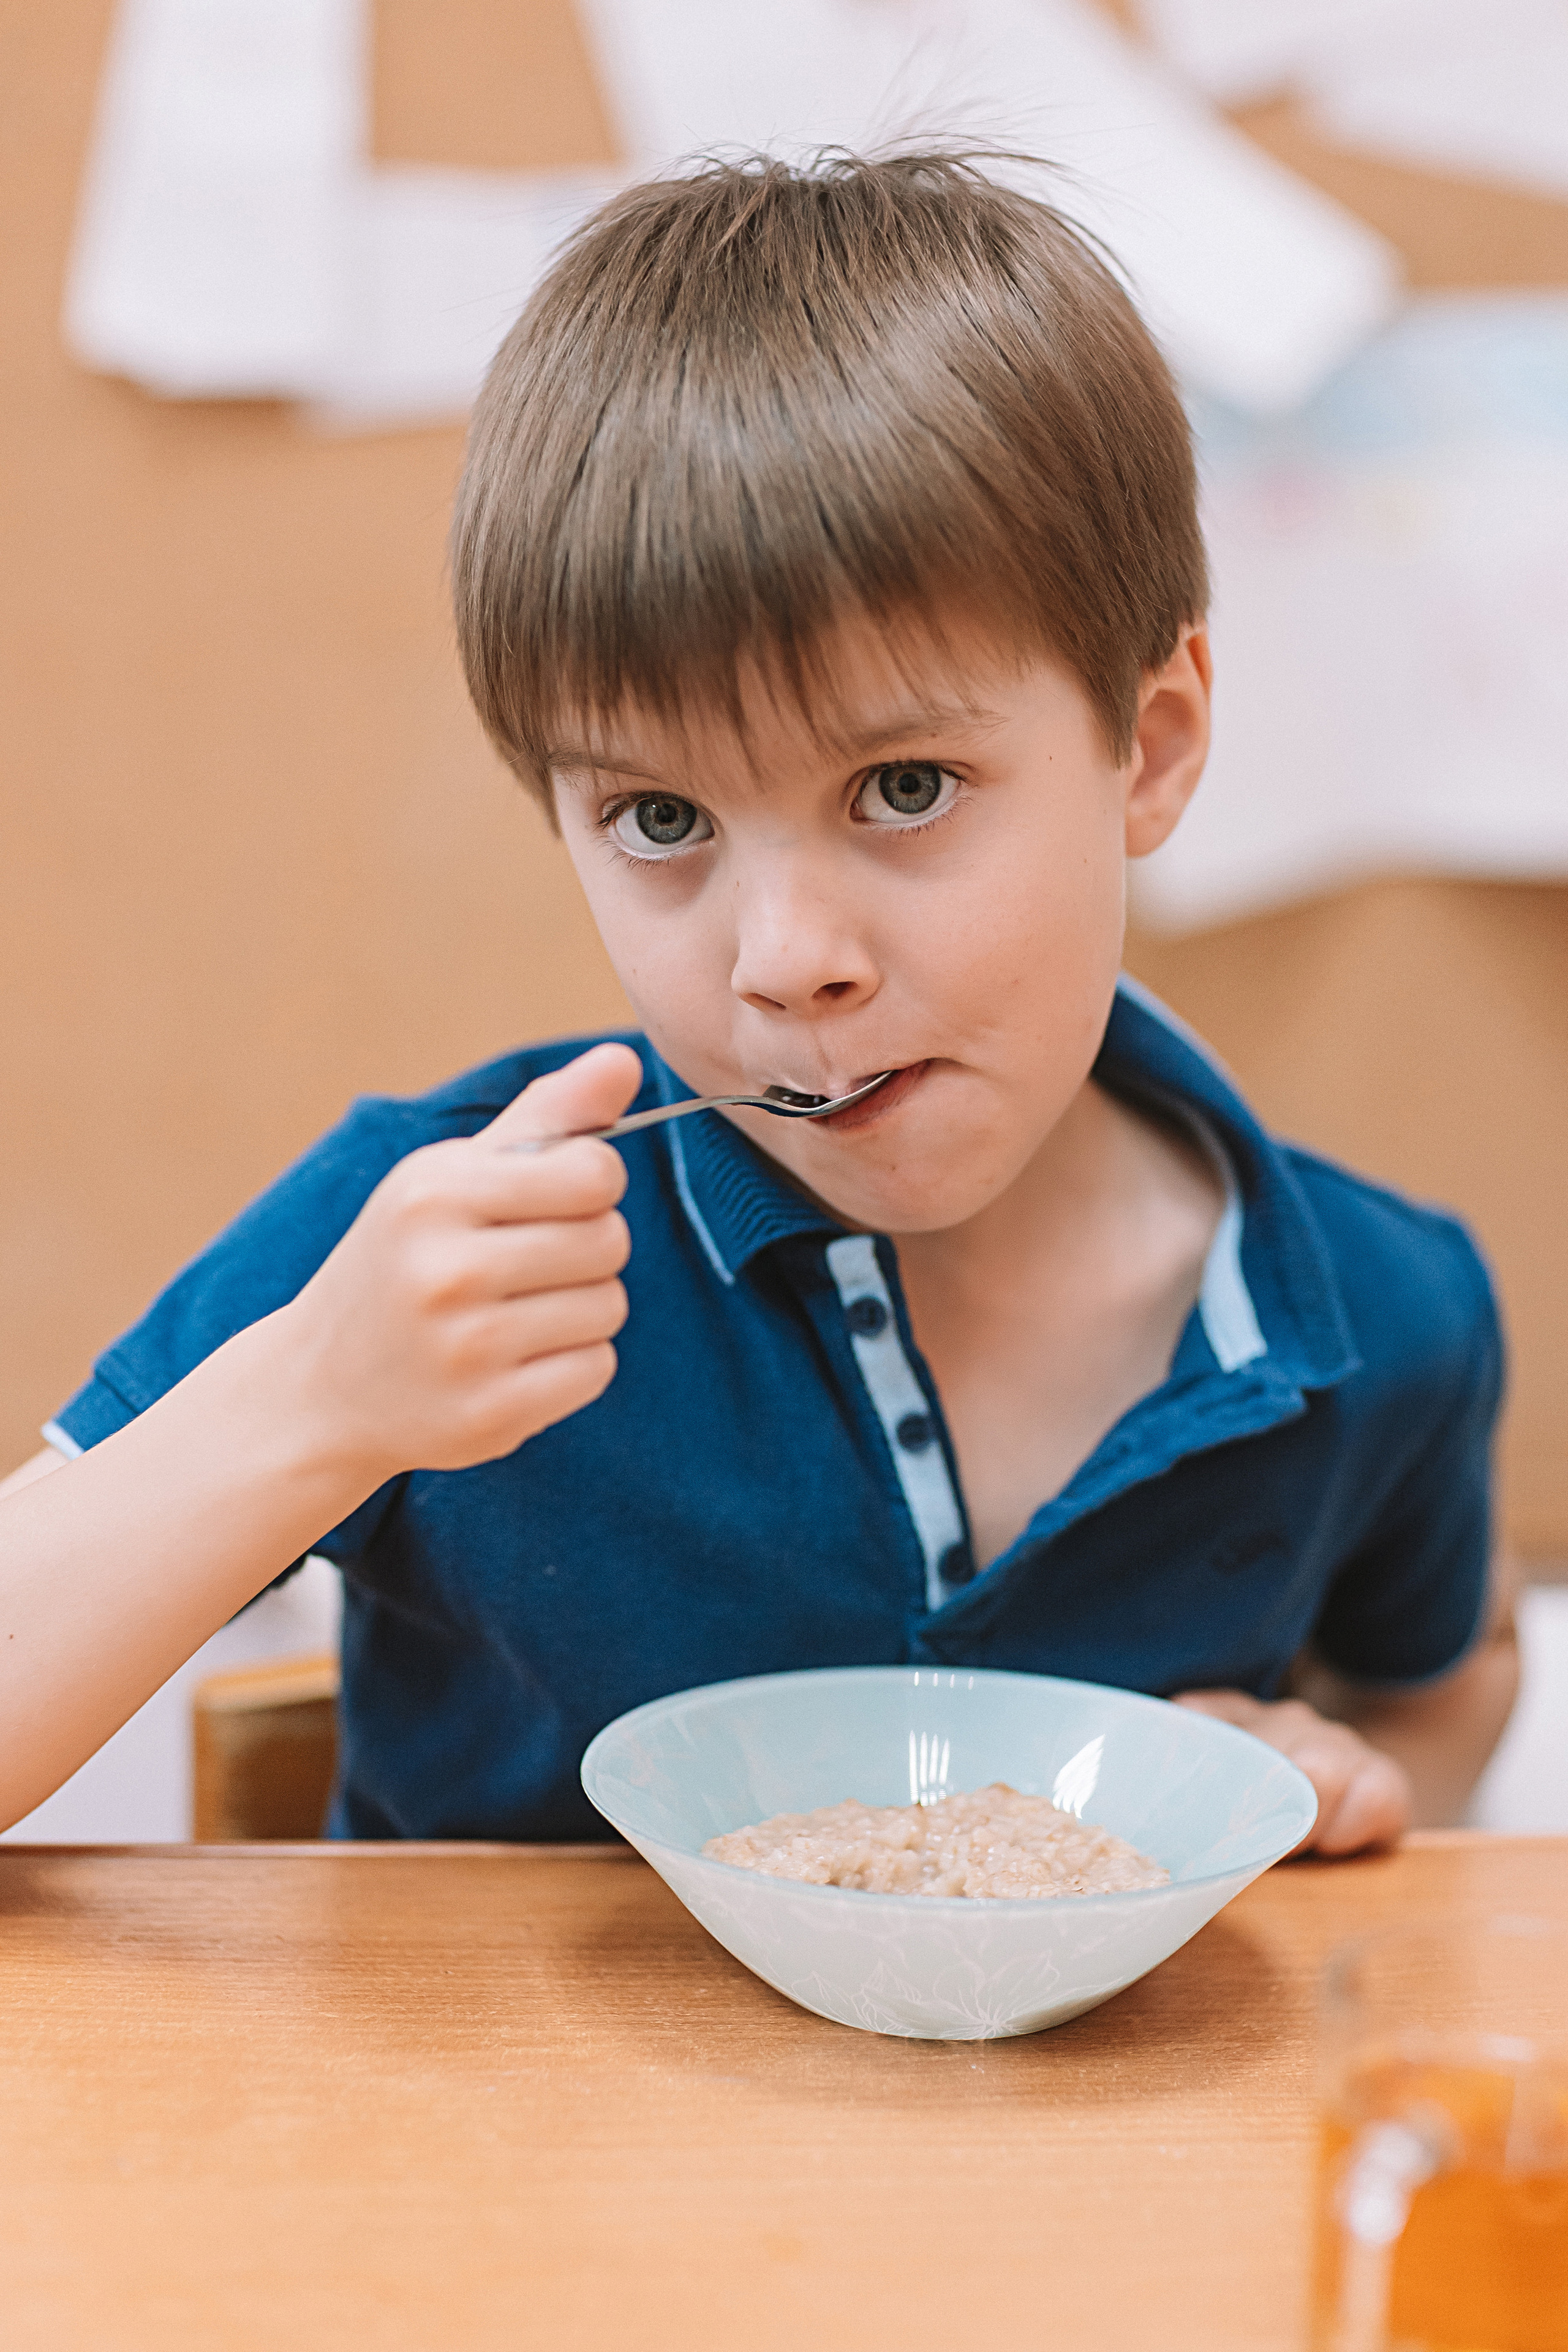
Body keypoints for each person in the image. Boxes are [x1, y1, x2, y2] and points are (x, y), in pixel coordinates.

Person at [0, 153, 1517, 1849]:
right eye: (663, 823)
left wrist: (1337, 1782)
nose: (785, 955)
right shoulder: (430, 1245)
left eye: (906, 787)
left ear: (1146, 748)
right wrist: (314, 1403)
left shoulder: (1383, 1317)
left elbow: (1442, 1691)